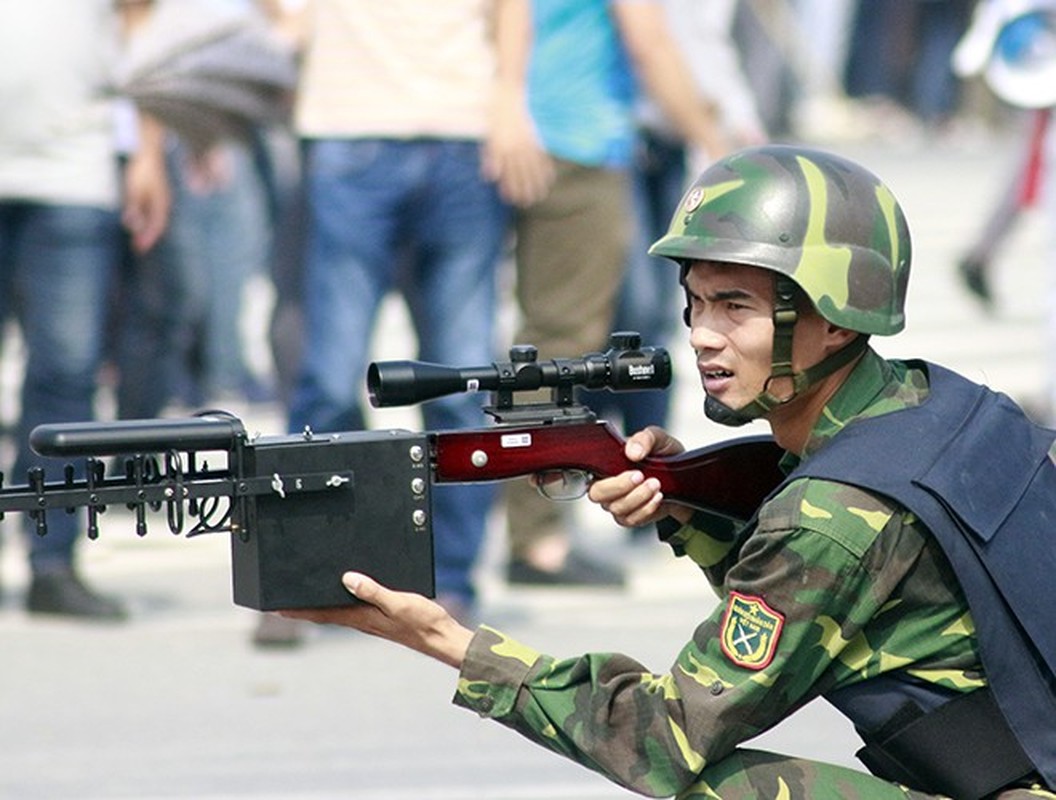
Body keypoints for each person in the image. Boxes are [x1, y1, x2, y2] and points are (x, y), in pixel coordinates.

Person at [283, 145, 1056, 798]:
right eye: (694, 305)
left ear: (831, 319)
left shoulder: (830, 515)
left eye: (737, 307)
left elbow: (664, 737)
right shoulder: (939, 405)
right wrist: (686, 509)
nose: (704, 339)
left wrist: (450, 643)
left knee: (712, 785)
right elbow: (840, 607)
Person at [280, 0, 549, 639]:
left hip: (461, 131)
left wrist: (510, 101)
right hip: (351, 130)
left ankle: (450, 580)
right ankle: (306, 577)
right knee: (328, 376)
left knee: (459, 383)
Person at [503, 0, 728, 588]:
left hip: (512, 133)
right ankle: (536, 540)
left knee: (533, 335)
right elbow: (649, 42)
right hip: (575, 142)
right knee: (555, 342)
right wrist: (714, 141)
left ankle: (521, 530)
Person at [0, 0, 170, 619]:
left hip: (71, 171)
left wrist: (148, 152)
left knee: (66, 377)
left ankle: (52, 563)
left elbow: (141, 24)